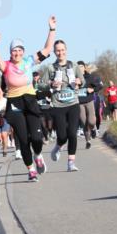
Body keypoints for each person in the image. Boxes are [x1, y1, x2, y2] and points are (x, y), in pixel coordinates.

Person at [0, 16, 57, 182]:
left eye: (20, 50)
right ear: (10, 52)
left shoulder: (29, 61)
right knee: (23, 138)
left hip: (30, 100)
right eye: (14, 50)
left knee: (36, 138)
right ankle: (31, 170)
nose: (17, 53)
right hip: (14, 103)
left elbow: (48, 49)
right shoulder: (6, 65)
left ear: (24, 51)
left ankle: (38, 156)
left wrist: (52, 29)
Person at [41, 42, 85, 171]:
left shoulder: (74, 66)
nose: (60, 53)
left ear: (66, 50)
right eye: (58, 51)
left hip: (73, 103)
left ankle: (71, 162)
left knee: (72, 133)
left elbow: (83, 81)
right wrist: (50, 83)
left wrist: (79, 81)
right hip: (58, 105)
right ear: (54, 52)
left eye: (62, 50)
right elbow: (40, 85)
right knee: (62, 135)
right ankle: (58, 146)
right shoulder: (50, 68)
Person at [34, 73, 54, 142]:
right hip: (40, 109)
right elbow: (34, 100)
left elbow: (52, 98)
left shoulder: (47, 91)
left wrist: (49, 99)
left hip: (48, 108)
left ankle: (50, 133)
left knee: (49, 124)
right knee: (43, 124)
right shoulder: (36, 92)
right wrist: (36, 102)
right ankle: (46, 137)